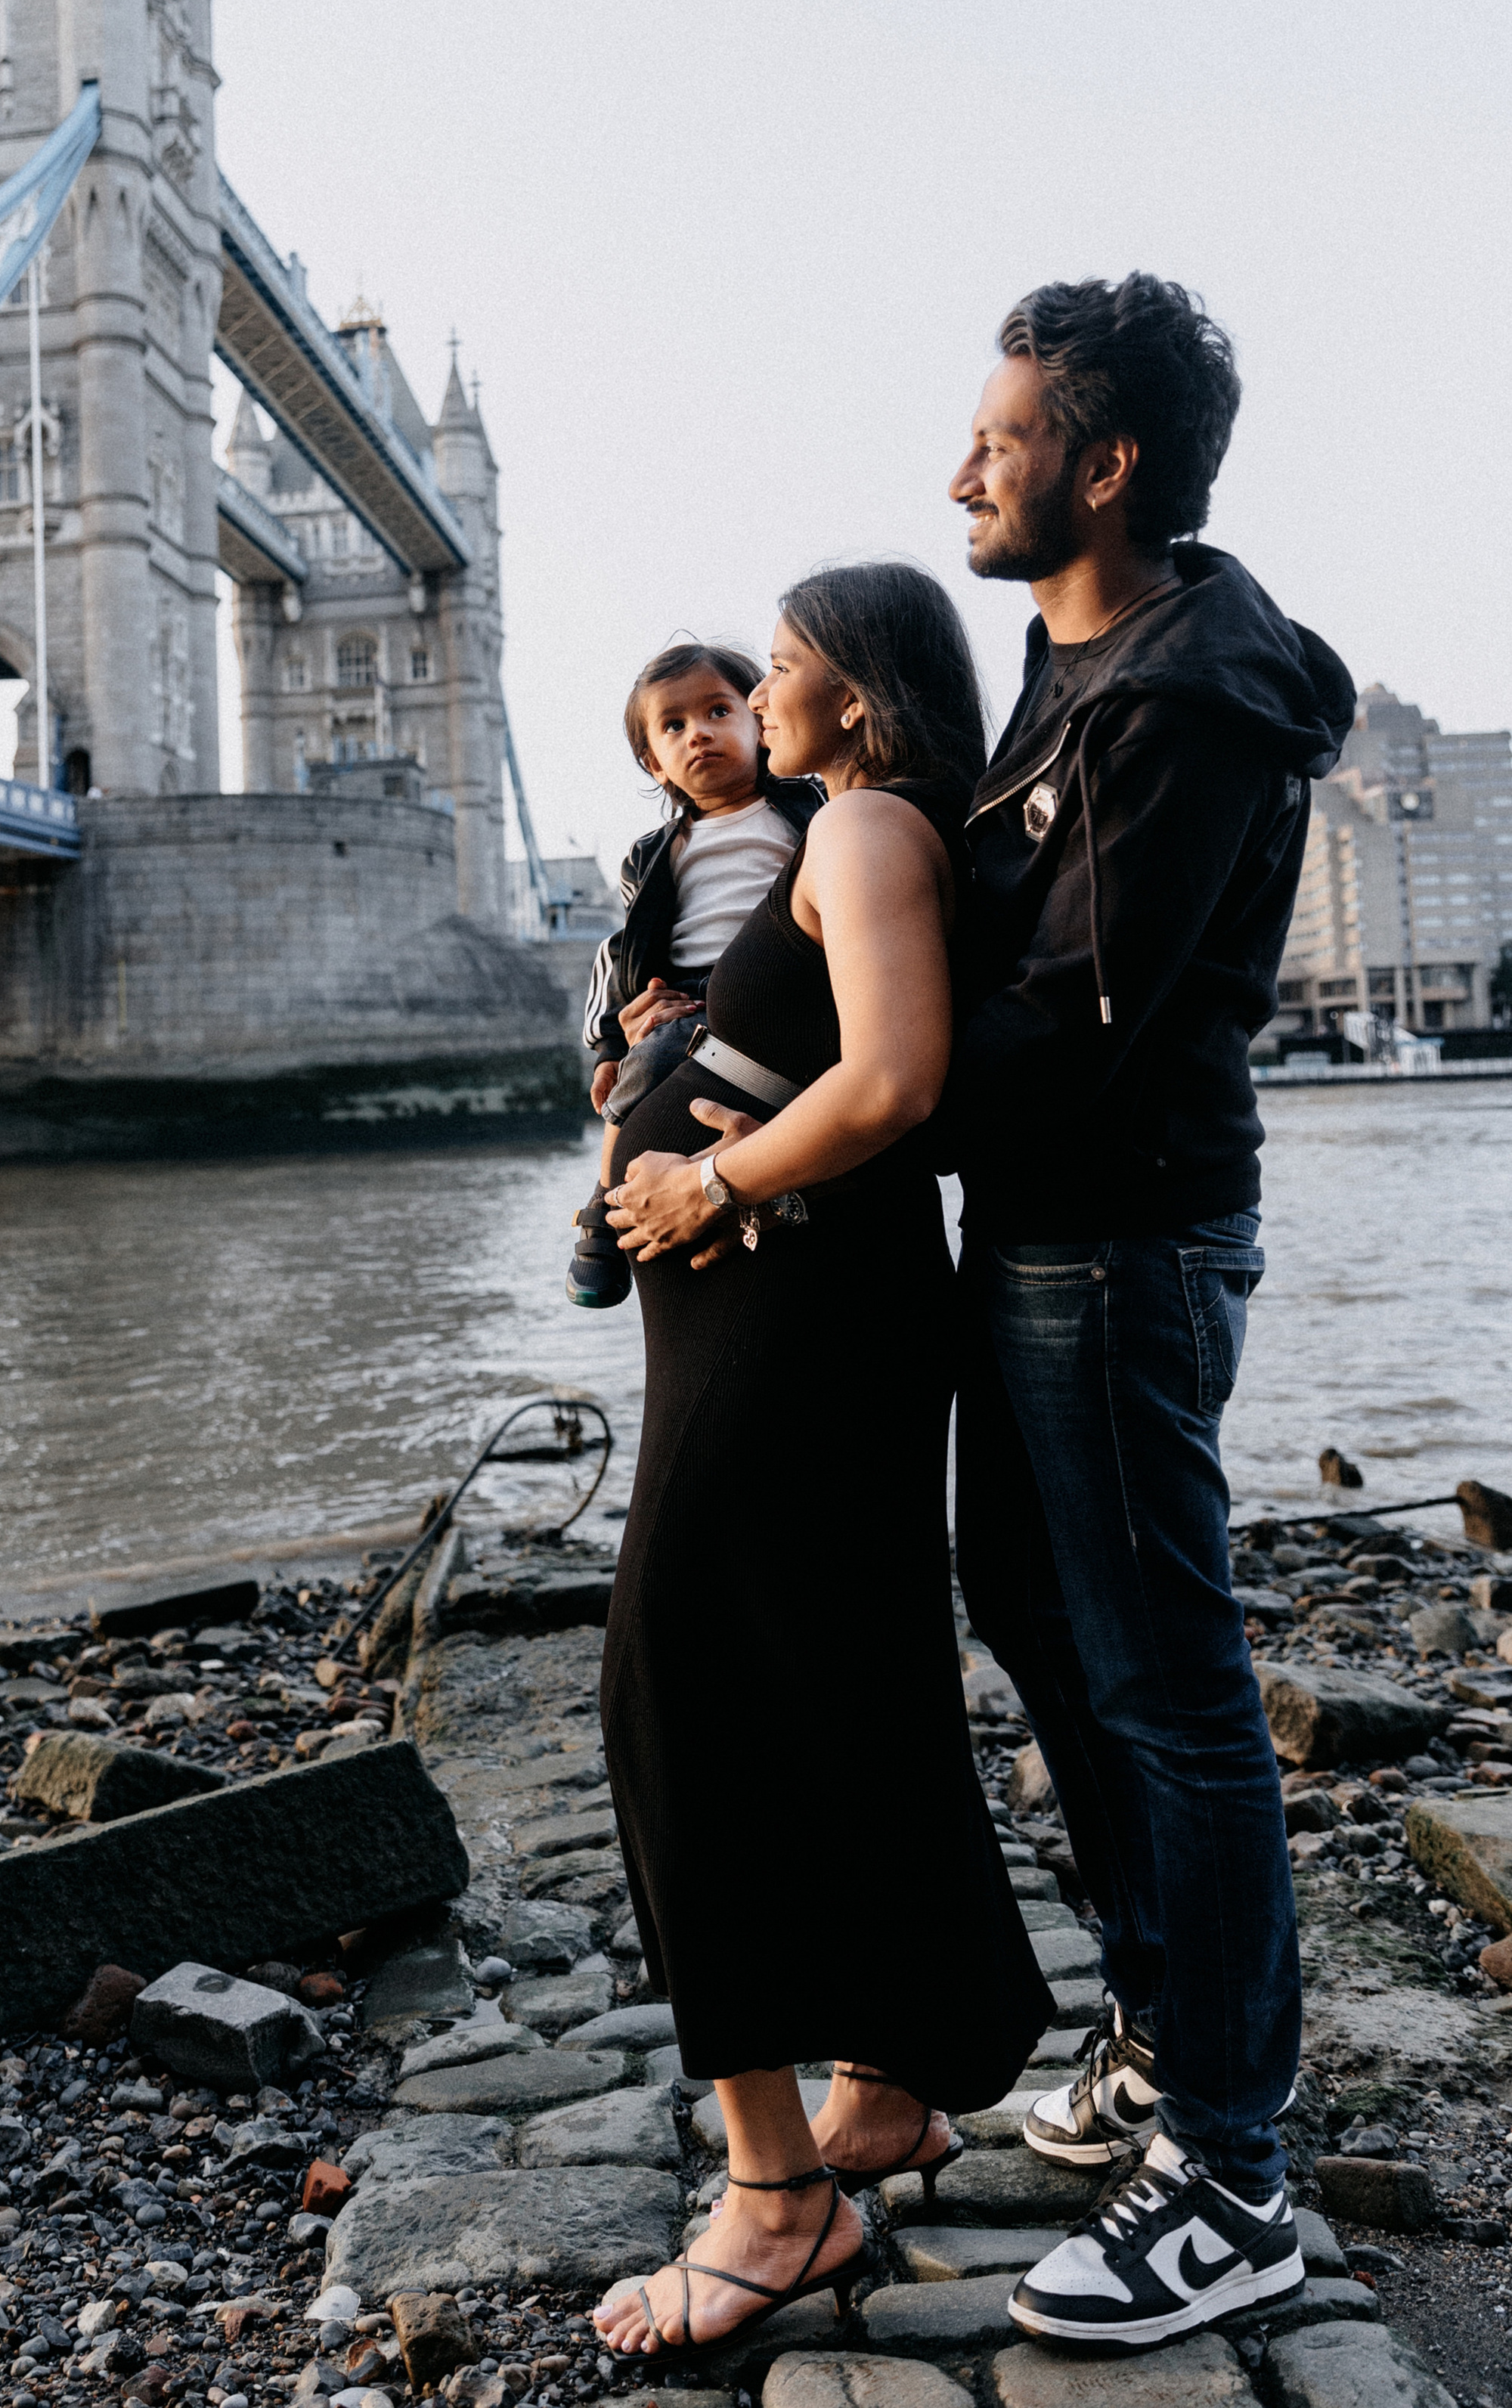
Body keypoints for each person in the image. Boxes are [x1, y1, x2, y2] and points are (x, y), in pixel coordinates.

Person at [943, 275, 1354, 2348]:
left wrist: (797, 1125)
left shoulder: (1180, 700)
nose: (962, 473)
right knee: (1041, 1621)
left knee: (1175, 1694)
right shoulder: (1074, 659)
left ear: (1102, 464)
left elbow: (1064, 1033)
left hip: (1114, 1243)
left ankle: (1238, 2171)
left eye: (1000, 440)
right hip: (1043, 1238)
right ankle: (1159, 2021)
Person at [590, 563, 1052, 2364]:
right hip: (794, 1309)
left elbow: (896, 1077)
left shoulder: (856, 828)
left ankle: (776, 2197)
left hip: (795, 1308)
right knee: (838, 1673)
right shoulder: (843, 828)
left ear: (853, 694)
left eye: (776, 667)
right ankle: (879, 2086)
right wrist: (667, 1068)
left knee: (671, 1686)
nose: (753, 695)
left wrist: (704, 1174)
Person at [565, 643, 820, 1308]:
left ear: (758, 719)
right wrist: (609, 1047)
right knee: (647, 1067)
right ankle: (604, 1201)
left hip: (786, 981)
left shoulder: (812, 810)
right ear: (654, 761)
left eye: (717, 711)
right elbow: (618, 955)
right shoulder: (652, 858)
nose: (699, 733)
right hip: (690, 1001)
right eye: (673, 726)